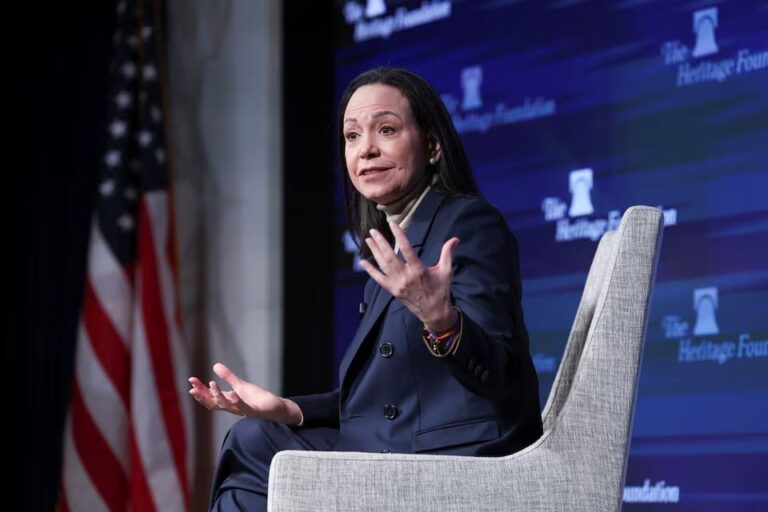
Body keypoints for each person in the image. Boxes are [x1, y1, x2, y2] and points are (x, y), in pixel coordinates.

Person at [189, 67, 543, 511]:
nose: (366, 149)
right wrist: (287, 409)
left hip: (454, 457)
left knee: (253, 445)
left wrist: (442, 322)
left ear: (433, 146)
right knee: (255, 437)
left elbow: (502, 372)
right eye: (352, 136)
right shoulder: (392, 244)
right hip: (398, 444)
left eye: (386, 130)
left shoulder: (468, 223)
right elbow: (379, 400)